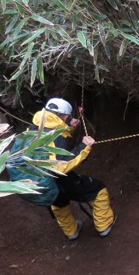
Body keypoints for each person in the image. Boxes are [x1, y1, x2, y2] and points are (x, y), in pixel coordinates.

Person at [23, 97, 116, 240]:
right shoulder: (56, 137)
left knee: (58, 202)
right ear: (65, 116)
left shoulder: (33, 128)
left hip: (41, 183)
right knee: (98, 189)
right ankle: (104, 225)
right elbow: (61, 166)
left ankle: (71, 232)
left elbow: (53, 145)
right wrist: (84, 147)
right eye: (69, 117)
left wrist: (69, 127)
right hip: (58, 179)